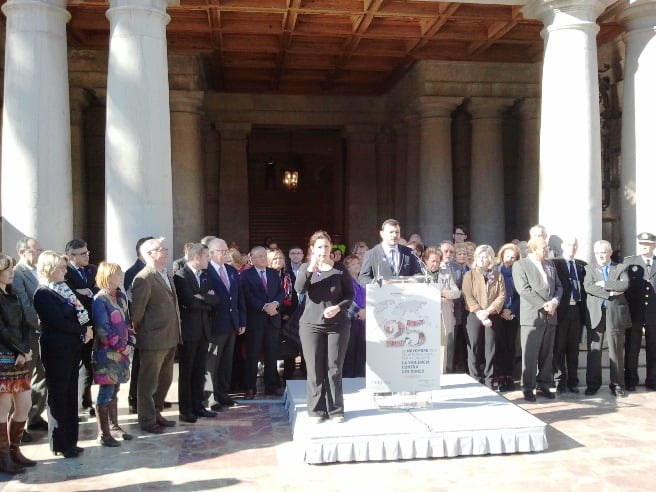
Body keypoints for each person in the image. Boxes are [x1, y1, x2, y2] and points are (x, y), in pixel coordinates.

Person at [34, 251, 93, 458]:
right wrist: (82, 330)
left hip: (72, 348)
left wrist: (87, 327)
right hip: (56, 349)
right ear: (50, 270)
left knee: (70, 393)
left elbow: (80, 311)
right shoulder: (43, 293)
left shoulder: (64, 288)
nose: (65, 272)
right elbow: (57, 321)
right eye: (61, 268)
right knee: (59, 395)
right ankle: (59, 442)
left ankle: (71, 440)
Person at [295, 231, 354, 423]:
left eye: (326, 246)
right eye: (319, 247)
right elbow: (299, 289)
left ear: (331, 248)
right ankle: (316, 410)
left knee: (334, 367)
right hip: (311, 325)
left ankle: (336, 410)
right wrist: (311, 267)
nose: (323, 250)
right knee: (314, 368)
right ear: (312, 249)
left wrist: (338, 307)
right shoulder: (306, 267)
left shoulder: (340, 269)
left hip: (337, 324)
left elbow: (349, 295)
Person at [130, 237, 181, 434]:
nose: (166, 251)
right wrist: (144, 333)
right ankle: (147, 419)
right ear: (149, 254)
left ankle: (157, 412)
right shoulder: (144, 278)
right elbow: (137, 313)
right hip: (153, 339)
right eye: (161, 249)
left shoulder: (164, 274)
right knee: (148, 383)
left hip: (170, 337)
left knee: (164, 380)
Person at [512, 237, 562, 402]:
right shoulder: (520, 265)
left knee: (547, 353)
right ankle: (528, 387)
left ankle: (545, 383)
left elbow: (559, 286)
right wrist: (543, 305)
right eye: (543, 248)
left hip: (551, 315)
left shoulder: (550, 264)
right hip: (533, 316)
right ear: (533, 249)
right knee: (530, 354)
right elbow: (524, 289)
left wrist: (554, 301)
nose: (546, 251)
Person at [174, 244, 219, 423]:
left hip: (203, 330)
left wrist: (202, 298)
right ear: (197, 258)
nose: (209, 259)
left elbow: (215, 299)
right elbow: (188, 302)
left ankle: (198, 406)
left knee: (200, 370)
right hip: (189, 331)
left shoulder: (205, 275)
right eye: (207, 256)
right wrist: (203, 299)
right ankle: (186, 410)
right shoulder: (181, 275)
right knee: (187, 370)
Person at [91, 262, 135, 446]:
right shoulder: (100, 300)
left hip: (122, 351)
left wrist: (131, 341)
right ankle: (103, 433)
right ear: (107, 277)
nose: (121, 277)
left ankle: (114, 425)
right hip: (107, 353)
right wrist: (120, 346)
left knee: (115, 389)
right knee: (106, 390)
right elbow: (103, 329)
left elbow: (127, 321)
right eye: (117, 275)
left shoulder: (121, 297)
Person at [0, 253, 36, 473]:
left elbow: (23, 324)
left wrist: (25, 349)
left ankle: (14, 450)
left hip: (19, 356)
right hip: (3, 356)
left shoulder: (11, 293)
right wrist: (19, 350)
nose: (12, 272)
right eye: (7, 269)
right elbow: (1, 329)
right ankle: (3, 457)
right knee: (3, 408)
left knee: (24, 404)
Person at [584, 240, 631, 397]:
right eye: (597, 253)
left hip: (615, 313)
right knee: (594, 350)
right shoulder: (589, 268)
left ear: (610, 252)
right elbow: (588, 286)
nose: (600, 256)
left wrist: (603, 283)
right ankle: (593, 384)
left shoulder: (620, 267)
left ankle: (617, 384)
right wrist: (610, 293)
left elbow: (624, 285)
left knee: (616, 350)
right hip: (596, 313)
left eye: (603, 252)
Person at [12, 237, 47, 439]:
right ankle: (17, 425)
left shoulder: (39, 271)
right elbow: (25, 306)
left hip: (44, 335)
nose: (39, 254)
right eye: (35, 251)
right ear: (23, 252)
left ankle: (34, 417)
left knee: (42, 377)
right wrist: (43, 324)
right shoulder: (17, 273)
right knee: (24, 380)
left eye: (41, 250)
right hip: (29, 334)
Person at [205, 238, 246, 408]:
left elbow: (238, 297)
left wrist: (241, 320)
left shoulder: (230, 270)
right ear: (211, 253)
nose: (225, 254)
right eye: (221, 251)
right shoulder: (206, 271)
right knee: (211, 362)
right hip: (215, 324)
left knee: (226, 361)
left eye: (226, 250)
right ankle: (209, 397)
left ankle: (223, 393)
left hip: (231, 324)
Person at [240, 246, 284, 399]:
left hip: (273, 319)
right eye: (259, 256)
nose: (263, 258)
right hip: (255, 321)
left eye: (264, 256)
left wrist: (276, 304)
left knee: (272, 354)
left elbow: (280, 291)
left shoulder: (273, 273)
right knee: (252, 355)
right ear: (251, 259)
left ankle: (271, 386)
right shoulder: (246, 275)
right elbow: (246, 295)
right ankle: (250, 387)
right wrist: (264, 306)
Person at [461, 245, 505, 387]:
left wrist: (488, 311)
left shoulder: (498, 275)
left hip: (492, 314)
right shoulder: (470, 275)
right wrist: (480, 313)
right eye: (479, 256)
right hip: (474, 314)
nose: (482, 259)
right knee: (473, 346)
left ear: (491, 259)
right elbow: (467, 295)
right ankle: (475, 378)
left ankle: (489, 379)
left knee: (490, 348)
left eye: (485, 256)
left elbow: (501, 295)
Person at [64, 239, 98, 419]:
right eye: (82, 254)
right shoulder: (65, 272)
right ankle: (81, 403)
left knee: (87, 365)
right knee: (79, 365)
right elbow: (67, 295)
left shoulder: (91, 269)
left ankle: (85, 401)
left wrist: (88, 291)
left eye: (87, 253)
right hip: (76, 326)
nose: (86, 256)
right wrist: (81, 292)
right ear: (71, 256)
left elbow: (97, 288)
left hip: (92, 323)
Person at [552, 237, 589, 394]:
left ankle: (573, 381)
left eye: (574, 245)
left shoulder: (582, 265)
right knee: (559, 347)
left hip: (577, 311)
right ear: (562, 246)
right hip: (561, 310)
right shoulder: (555, 263)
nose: (572, 247)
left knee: (573, 348)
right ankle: (560, 380)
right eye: (569, 244)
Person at [124, 236, 153, 415]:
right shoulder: (133, 271)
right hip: (142, 325)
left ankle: (151, 397)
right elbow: (132, 301)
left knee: (150, 365)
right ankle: (134, 398)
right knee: (139, 364)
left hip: (154, 326)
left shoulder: (154, 270)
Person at [623, 232, 656, 391]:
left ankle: (653, 380)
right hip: (634, 312)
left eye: (648, 244)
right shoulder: (629, 263)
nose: (645, 246)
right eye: (642, 243)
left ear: (654, 245)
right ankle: (630, 380)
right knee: (632, 347)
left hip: (653, 312)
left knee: (653, 347)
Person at [423, 248, 461, 373]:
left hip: (444, 316)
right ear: (425, 260)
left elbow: (457, 292)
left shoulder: (446, 273)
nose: (436, 264)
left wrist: (445, 293)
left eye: (438, 261)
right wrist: (438, 297)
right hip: (426, 318)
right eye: (433, 261)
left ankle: (443, 373)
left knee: (444, 346)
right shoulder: (419, 275)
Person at [359, 219, 422, 285]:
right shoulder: (371, 254)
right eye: (391, 232)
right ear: (382, 234)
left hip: (404, 293)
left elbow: (417, 273)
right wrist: (378, 283)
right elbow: (363, 278)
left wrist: (413, 280)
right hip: (381, 293)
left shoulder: (408, 252)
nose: (394, 235)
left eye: (397, 232)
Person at [268, 249, 300, 381]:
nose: (278, 261)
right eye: (275, 259)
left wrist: (289, 314)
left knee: (289, 347)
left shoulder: (289, 275)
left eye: (280, 258)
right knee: (272, 347)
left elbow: (295, 298)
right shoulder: (268, 275)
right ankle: (273, 377)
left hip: (289, 318)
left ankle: (288, 376)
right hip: (272, 316)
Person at [496, 243, 521, 391]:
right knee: (500, 345)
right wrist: (501, 310)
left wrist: (511, 310)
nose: (509, 260)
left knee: (511, 346)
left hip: (512, 314)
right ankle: (500, 377)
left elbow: (520, 294)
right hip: (497, 313)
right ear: (502, 256)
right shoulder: (496, 271)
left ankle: (509, 376)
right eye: (507, 256)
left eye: (513, 257)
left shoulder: (519, 273)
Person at [342, 254, 366, 378]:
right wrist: (358, 312)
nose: (357, 266)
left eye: (358, 263)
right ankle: (348, 380)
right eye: (353, 264)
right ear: (347, 267)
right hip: (351, 322)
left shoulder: (362, 281)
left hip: (363, 324)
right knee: (350, 353)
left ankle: (360, 377)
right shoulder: (346, 281)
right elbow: (347, 300)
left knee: (361, 354)